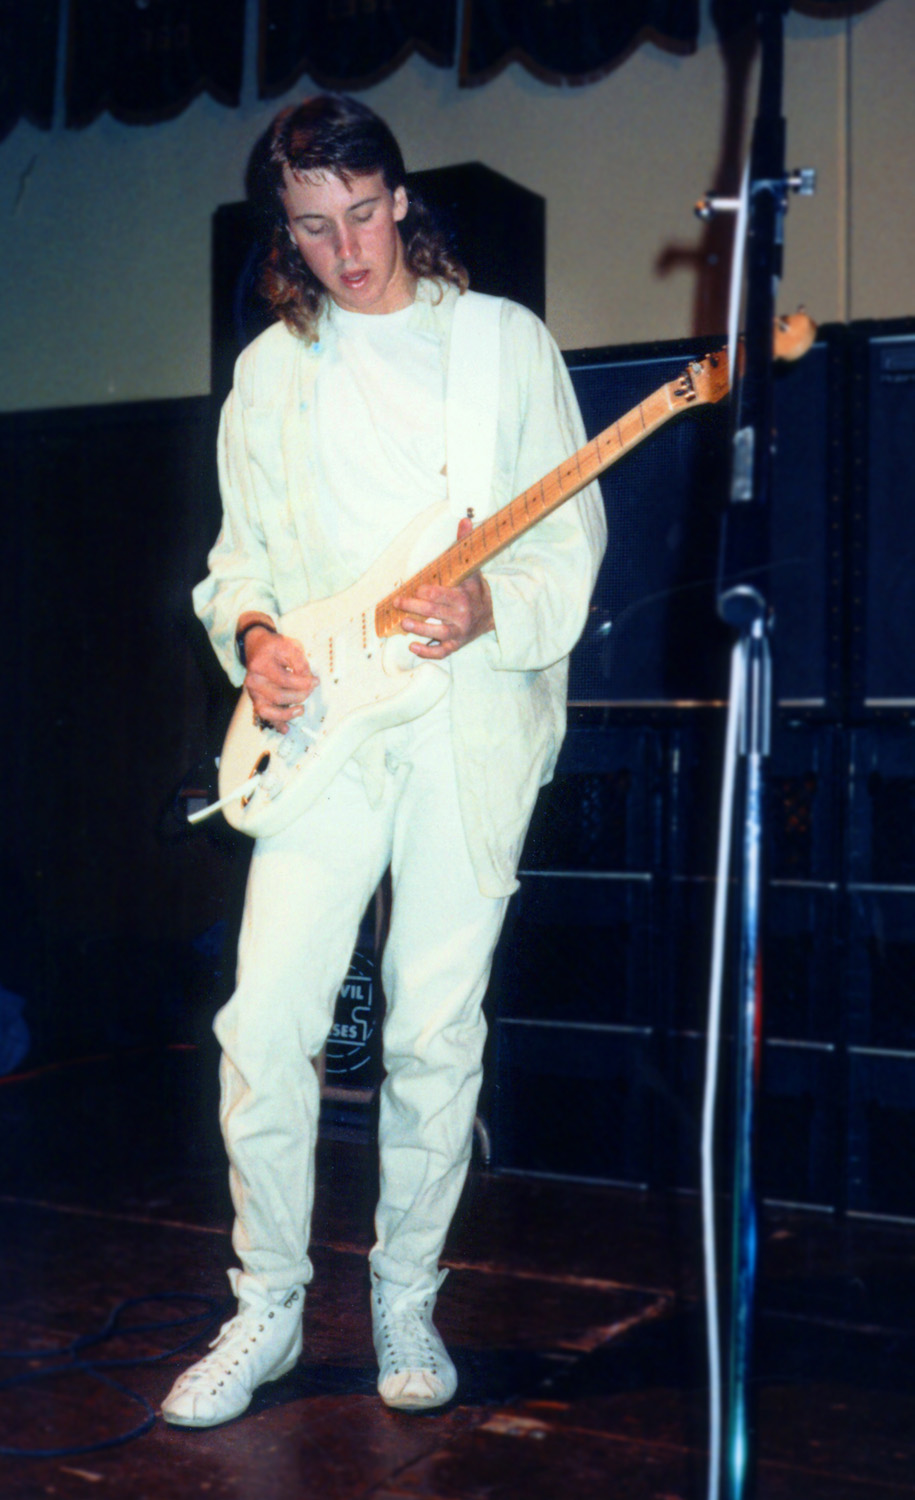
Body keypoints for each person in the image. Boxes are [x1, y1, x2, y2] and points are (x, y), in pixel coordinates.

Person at [161, 93, 606, 1429]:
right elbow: (237, 565)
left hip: (467, 715)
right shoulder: (270, 373)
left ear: (400, 199)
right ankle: (270, 1308)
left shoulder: (501, 346)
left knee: (430, 1025)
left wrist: (493, 608)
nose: (348, 248)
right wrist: (255, 640)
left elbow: (565, 540)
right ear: (286, 233)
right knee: (264, 1023)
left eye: (364, 214)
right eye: (315, 226)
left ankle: (404, 1293)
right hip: (322, 726)